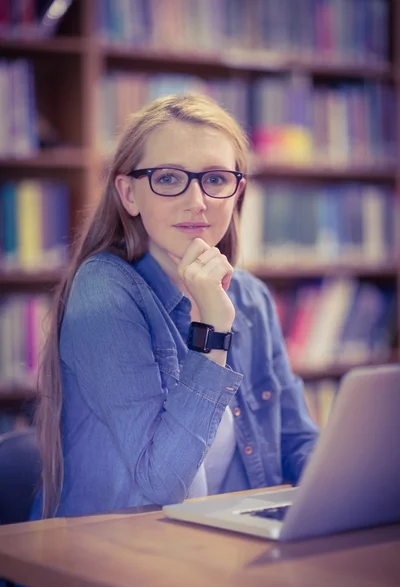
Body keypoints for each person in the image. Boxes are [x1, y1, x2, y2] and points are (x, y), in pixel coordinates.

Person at [33, 93, 318, 521]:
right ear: (129, 194)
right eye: (168, 179)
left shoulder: (252, 297)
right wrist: (212, 333)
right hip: (116, 561)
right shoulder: (104, 292)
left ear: (237, 191)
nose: (197, 201)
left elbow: (296, 439)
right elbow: (162, 484)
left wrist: (347, 495)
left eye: (216, 179)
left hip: (224, 551)